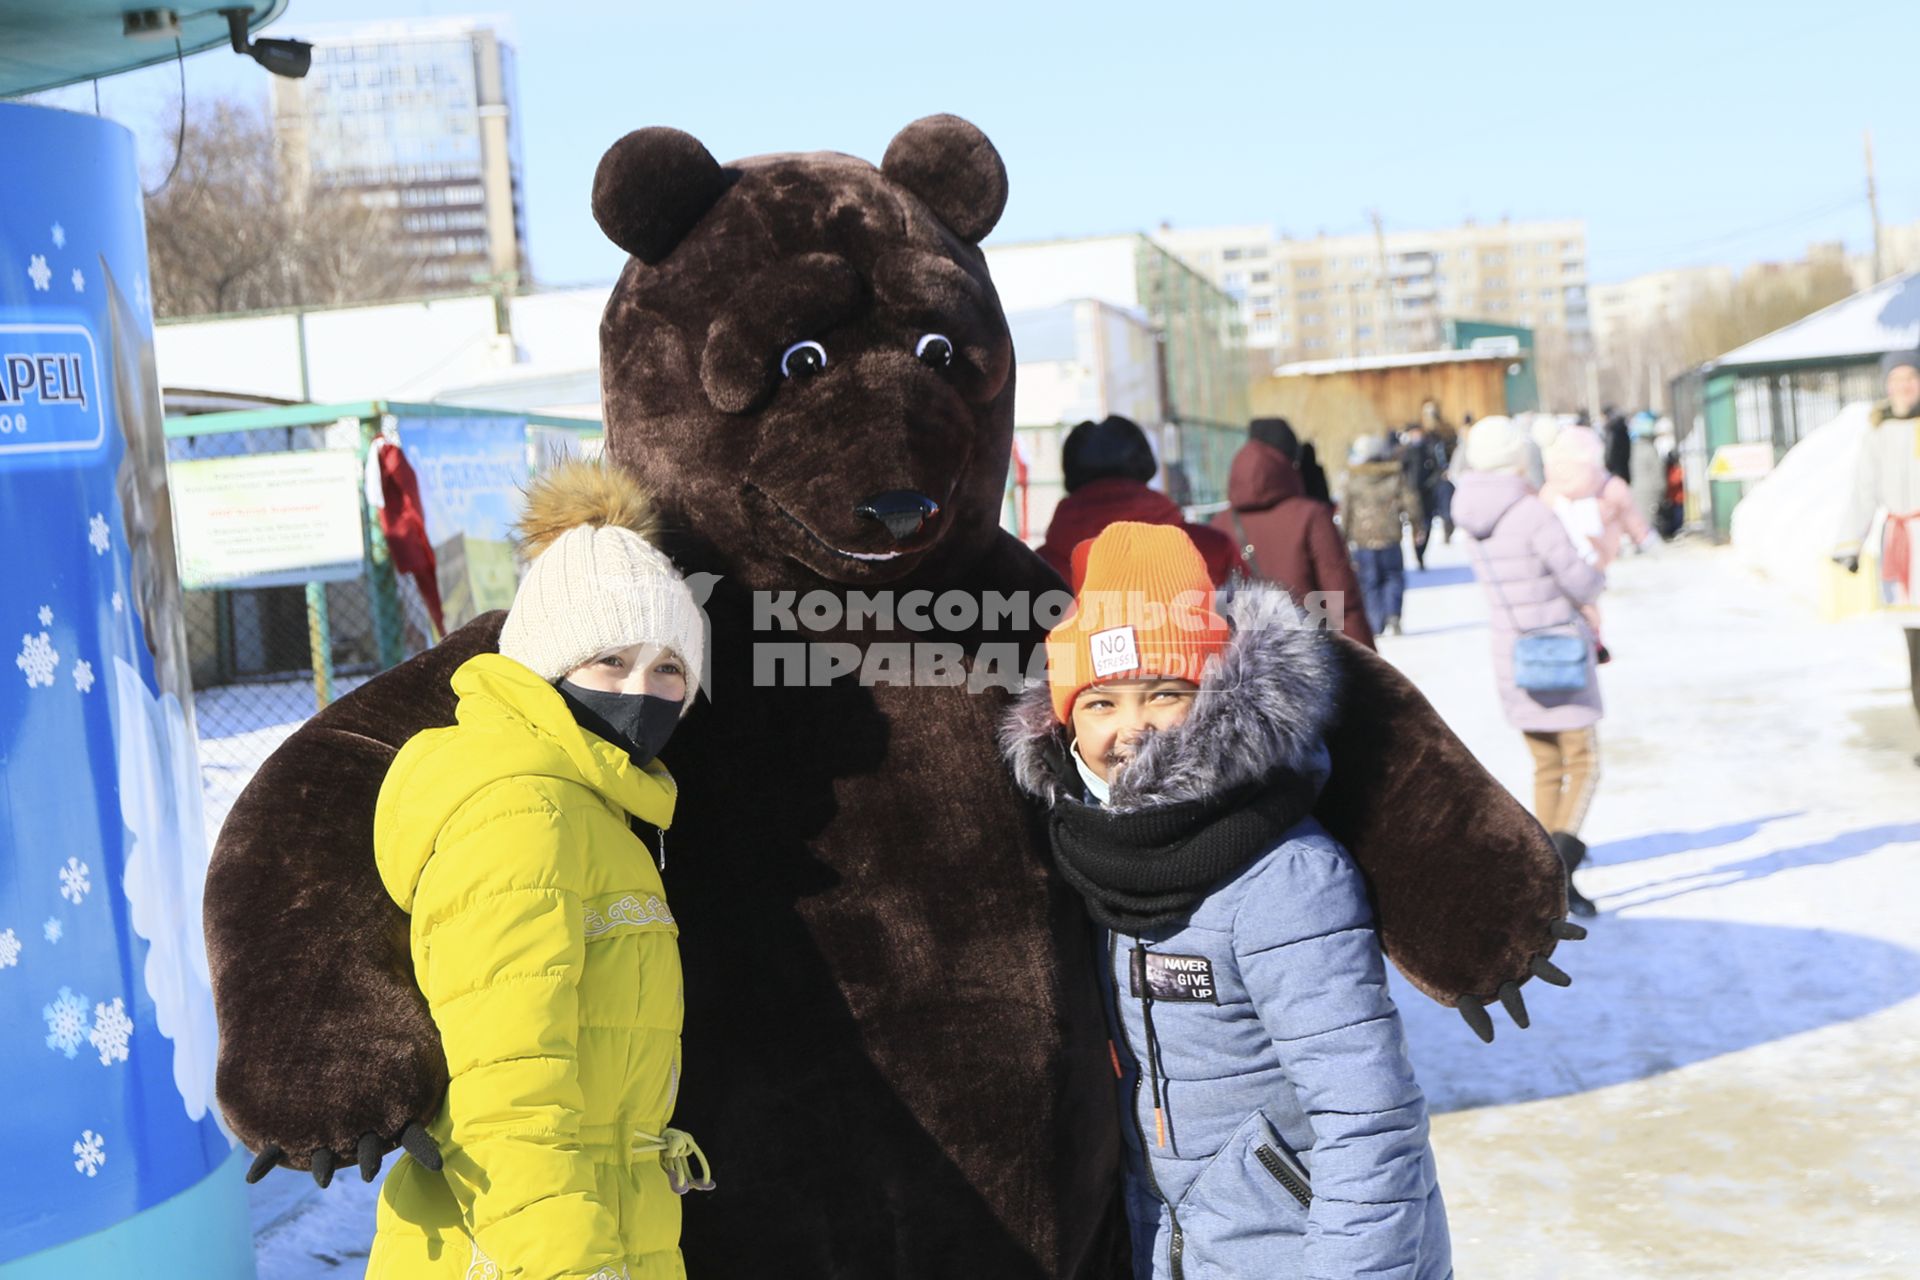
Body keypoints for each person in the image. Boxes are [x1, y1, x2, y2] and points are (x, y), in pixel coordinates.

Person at [1000, 521, 1451, 1280]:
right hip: (1177, 1251)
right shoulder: (1090, 857)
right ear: (1064, 721)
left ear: (1214, 697)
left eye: (1163, 693)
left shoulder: (1284, 876)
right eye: (1100, 702)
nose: (1129, 729)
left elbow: (1367, 1120)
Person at [367, 461, 714, 1279]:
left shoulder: (597, 805)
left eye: (669, 669)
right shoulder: (524, 814)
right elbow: (508, 1100)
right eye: (609, 660)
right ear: (544, 666)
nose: (641, 690)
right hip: (522, 1253)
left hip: (603, 1226)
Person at [1452, 417, 1606, 917]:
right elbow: (1579, 582)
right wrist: (1597, 569)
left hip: (1512, 654)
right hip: (1558, 650)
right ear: (1517, 457)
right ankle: (1555, 874)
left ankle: (1550, 871)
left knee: (1545, 763)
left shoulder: (1469, 514)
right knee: (1583, 762)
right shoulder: (1531, 511)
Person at [1211, 417, 1376, 648]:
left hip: (1244, 665)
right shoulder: (1311, 516)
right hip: (1310, 659)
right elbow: (1343, 602)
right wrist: (1369, 672)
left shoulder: (1219, 525)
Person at [1038, 415, 1245, 587]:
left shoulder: (1038, 569)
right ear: (1146, 465)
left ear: (1070, 474)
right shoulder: (1213, 549)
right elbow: (1257, 628)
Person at [1834, 349, 1920, 763]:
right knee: (1915, 650)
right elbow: (1863, 489)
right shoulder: (1877, 432)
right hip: (1901, 547)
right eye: (1896, 379)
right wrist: (1850, 543)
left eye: (1911, 377)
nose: (1903, 387)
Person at [1343, 433, 1419, 636]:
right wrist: (1416, 525)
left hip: (1363, 540)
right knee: (1393, 576)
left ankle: (1375, 622)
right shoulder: (1394, 476)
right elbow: (1410, 502)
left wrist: (1342, 537)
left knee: (1369, 582)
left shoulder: (1354, 479)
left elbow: (1346, 510)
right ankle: (1393, 615)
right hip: (1390, 537)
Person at [1398, 422, 1444, 569]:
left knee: (1428, 524)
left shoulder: (1429, 448)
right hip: (1412, 495)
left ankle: (1422, 552)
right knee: (1416, 525)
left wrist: (1430, 484)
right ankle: (1418, 554)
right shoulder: (1405, 452)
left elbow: (1437, 470)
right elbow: (1401, 472)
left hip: (1427, 494)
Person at [1295, 440, 1334, 506]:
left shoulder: (1298, 471)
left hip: (1305, 505)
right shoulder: (1317, 471)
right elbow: (1323, 491)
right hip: (1317, 505)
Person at [1602, 406, 1632, 485]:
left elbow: (1609, 452)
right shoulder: (1623, 430)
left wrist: (1607, 466)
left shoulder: (1612, 430)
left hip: (1615, 470)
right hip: (1624, 468)